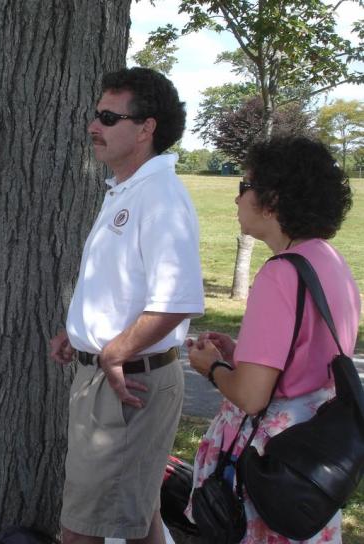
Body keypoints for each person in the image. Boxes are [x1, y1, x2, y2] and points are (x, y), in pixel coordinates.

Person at [49, 67, 204, 544]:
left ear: (146, 128)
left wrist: (114, 350)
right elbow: (123, 284)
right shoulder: (127, 188)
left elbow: (177, 301)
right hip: (108, 380)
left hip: (128, 384)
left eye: (109, 117)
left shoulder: (158, 195)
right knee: (137, 518)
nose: (94, 126)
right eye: (96, 115)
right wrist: (80, 332)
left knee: (84, 531)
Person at [185, 136, 359, 543]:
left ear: (273, 199)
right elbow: (305, 355)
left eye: (244, 187)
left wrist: (211, 367)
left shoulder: (280, 274)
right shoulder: (329, 261)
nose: (237, 200)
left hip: (269, 463)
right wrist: (239, 354)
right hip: (310, 459)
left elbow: (250, 396)